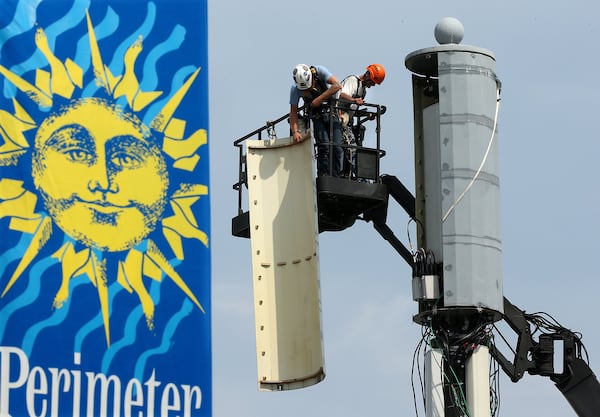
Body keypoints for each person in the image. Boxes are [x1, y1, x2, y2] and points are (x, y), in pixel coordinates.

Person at [289, 64, 343, 177]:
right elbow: (293, 111)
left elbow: (337, 85)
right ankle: (324, 176)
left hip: (331, 113)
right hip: (317, 116)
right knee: (324, 147)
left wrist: (319, 99)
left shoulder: (319, 71)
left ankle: (336, 177)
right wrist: (295, 132)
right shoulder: (295, 89)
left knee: (337, 148)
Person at [337, 64, 386, 178]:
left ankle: (348, 174)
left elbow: (353, 108)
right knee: (352, 148)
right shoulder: (353, 81)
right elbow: (342, 95)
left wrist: (367, 115)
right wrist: (354, 99)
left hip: (347, 120)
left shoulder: (363, 90)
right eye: (373, 81)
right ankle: (358, 177)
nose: (372, 85)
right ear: (368, 75)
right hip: (338, 118)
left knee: (351, 148)